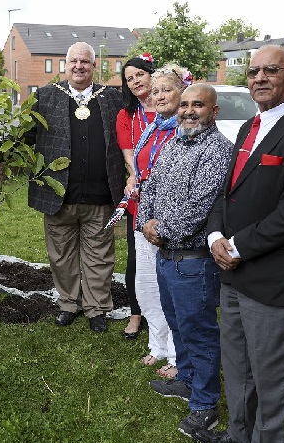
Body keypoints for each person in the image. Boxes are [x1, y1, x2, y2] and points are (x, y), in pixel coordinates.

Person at [196, 46, 284, 443]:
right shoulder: (246, 130)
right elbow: (227, 193)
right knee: (238, 370)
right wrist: (215, 235)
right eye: (253, 71)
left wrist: (237, 246)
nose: (258, 77)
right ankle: (241, 437)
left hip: (277, 280)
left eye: (270, 70)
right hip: (233, 273)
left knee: (275, 382)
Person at [137, 83, 232, 439]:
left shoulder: (218, 150)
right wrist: (145, 221)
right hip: (166, 257)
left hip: (193, 262)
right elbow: (151, 186)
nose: (189, 111)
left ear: (214, 111)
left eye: (199, 105)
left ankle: (205, 405)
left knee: (200, 333)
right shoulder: (173, 142)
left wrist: (163, 230)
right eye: (186, 104)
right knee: (178, 324)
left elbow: (200, 205)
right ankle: (187, 381)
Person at [26, 41, 126, 333]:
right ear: (65, 65)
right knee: (62, 255)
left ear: (94, 67)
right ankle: (69, 303)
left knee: (100, 255)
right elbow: (25, 136)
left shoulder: (112, 98)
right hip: (59, 195)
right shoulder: (44, 97)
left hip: (101, 194)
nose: (79, 66)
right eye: (74, 61)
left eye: (85, 61)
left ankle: (97, 308)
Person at [121, 63, 183, 379]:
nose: (159, 95)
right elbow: (142, 169)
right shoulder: (154, 127)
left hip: (166, 224)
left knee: (170, 290)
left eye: (166, 89)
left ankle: (176, 354)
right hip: (142, 217)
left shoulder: (184, 130)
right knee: (146, 286)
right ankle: (157, 346)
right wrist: (133, 181)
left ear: (182, 92)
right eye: (156, 90)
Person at [115, 54, 155, 343]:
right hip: (140, 193)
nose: (135, 81)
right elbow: (130, 156)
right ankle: (136, 314)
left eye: (139, 74)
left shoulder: (172, 109)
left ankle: (163, 313)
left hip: (170, 193)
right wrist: (134, 176)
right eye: (129, 79)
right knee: (136, 258)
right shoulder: (126, 116)